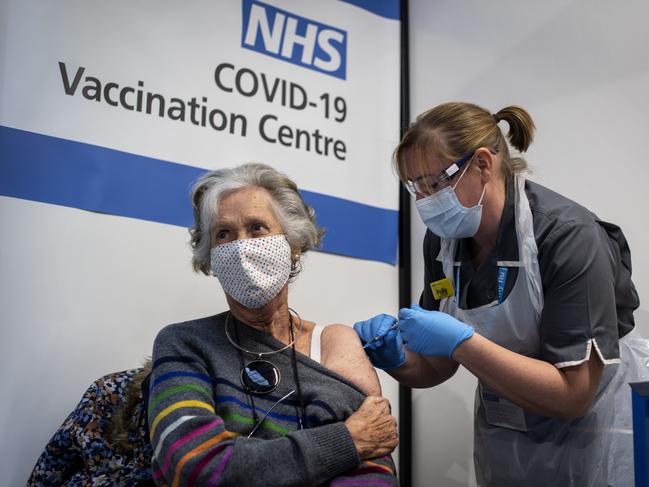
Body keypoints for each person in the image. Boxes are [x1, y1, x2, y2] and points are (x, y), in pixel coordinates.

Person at [354, 102, 648, 486]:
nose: (424, 201)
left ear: (482, 164)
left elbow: (574, 394)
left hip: (594, 431)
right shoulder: (444, 242)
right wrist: (398, 360)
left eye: (435, 183)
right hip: (509, 434)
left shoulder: (566, 235)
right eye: (415, 187)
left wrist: (463, 343)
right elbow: (438, 365)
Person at [147, 163, 399, 486]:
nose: (240, 247)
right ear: (210, 258)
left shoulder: (334, 345)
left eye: (256, 228)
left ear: (293, 247)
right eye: (223, 234)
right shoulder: (184, 344)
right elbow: (198, 467)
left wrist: (258, 461)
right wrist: (345, 441)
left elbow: (372, 467)